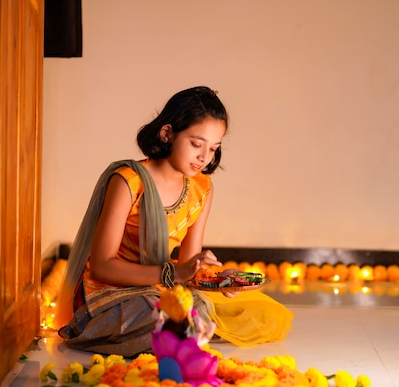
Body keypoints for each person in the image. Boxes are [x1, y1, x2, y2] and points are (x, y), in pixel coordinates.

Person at [56, 86, 293, 356]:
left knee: (214, 311)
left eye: (214, 148)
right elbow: (102, 266)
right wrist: (173, 275)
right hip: (110, 292)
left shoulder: (202, 188)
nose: (205, 157)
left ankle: (175, 331)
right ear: (167, 133)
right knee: (160, 316)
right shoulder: (128, 181)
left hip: (159, 289)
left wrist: (218, 279)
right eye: (196, 144)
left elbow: (189, 266)